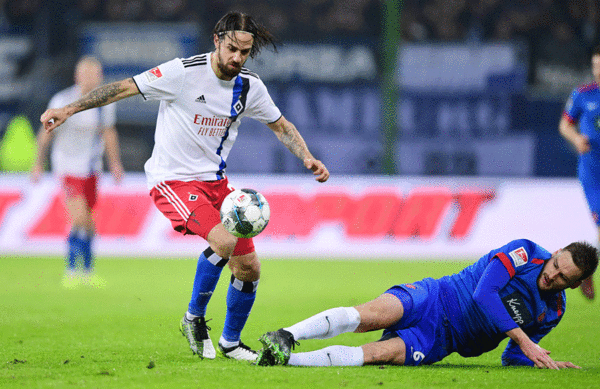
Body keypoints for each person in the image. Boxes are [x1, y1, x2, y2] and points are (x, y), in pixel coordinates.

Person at [40, 11, 329, 362]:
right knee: (223, 240)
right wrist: (70, 108)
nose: (238, 58)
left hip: (217, 184)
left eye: (245, 52)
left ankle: (231, 343)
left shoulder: (250, 86)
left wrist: (307, 157)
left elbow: (280, 125)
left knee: (249, 266)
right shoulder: (182, 72)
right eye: (233, 49)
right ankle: (193, 319)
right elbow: (125, 88)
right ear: (217, 40)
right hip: (172, 180)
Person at [256, 239, 598, 369]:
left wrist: (540, 362)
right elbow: (483, 294)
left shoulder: (552, 311)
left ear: (576, 283)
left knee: (379, 355)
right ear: (554, 254)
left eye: (564, 278)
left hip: (442, 341)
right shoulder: (523, 253)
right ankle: (285, 335)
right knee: (371, 315)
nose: (553, 277)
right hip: (436, 297)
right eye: (555, 266)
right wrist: (523, 339)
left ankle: (286, 361)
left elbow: (514, 358)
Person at [32, 56, 124, 289]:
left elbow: (108, 133)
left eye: (95, 74)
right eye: (86, 73)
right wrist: (38, 163)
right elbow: (46, 133)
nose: (92, 78)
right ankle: (72, 270)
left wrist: (115, 163)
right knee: (79, 217)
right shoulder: (63, 100)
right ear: (77, 76)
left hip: (91, 168)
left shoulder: (105, 102)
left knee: (88, 221)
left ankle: (87, 270)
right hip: (67, 165)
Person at [559, 44, 600, 301]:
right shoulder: (583, 94)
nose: (598, 72)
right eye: (596, 66)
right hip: (594, 173)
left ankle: (586, 267)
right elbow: (565, 124)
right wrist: (576, 139)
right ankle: (586, 267)